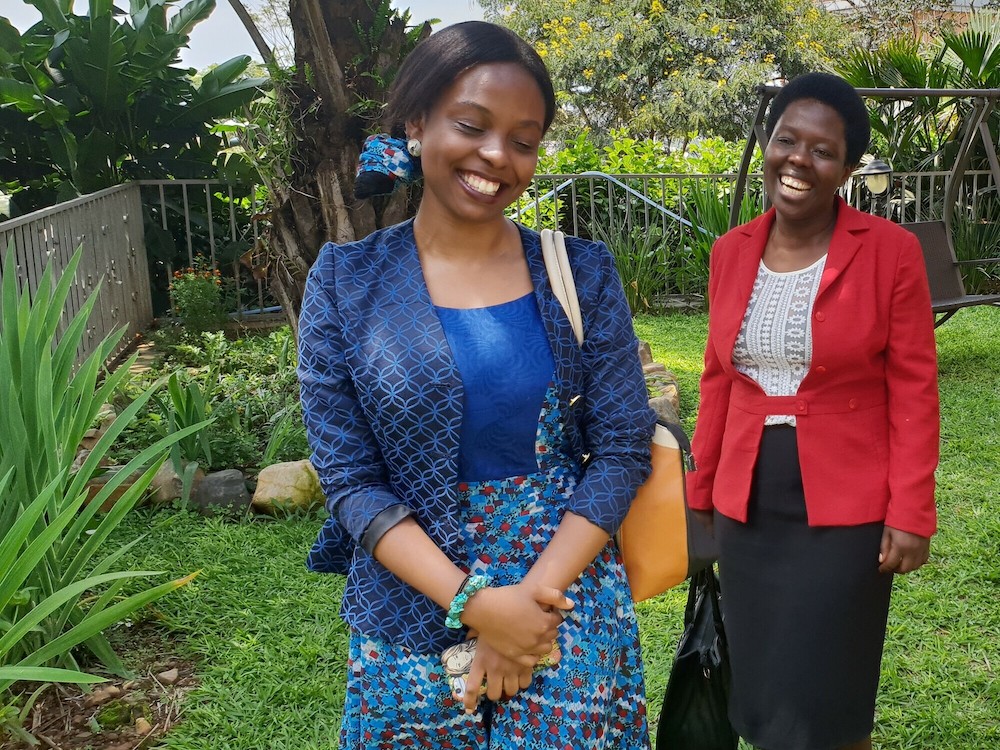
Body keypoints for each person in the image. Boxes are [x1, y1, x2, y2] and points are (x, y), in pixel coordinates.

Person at [298, 21, 656, 749]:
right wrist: (474, 604)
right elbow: (350, 480)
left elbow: (621, 449)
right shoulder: (345, 282)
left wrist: (526, 605)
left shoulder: (579, 273)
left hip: (564, 610)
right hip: (407, 616)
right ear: (417, 122)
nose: (498, 156)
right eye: (473, 125)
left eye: (523, 141)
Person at [686, 71, 940, 750]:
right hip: (748, 502)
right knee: (762, 693)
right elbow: (718, 380)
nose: (798, 159)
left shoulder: (891, 253)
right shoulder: (730, 251)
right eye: (786, 139)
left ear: (848, 169)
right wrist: (699, 494)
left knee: (829, 699)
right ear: (768, 145)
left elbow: (916, 386)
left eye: (822, 150)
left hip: (845, 507)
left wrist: (911, 511)